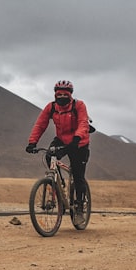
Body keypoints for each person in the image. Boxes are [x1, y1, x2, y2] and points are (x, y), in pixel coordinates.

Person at [25, 79, 92, 207]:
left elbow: (83, 123)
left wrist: (77, 138)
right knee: (49, 156)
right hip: (61, 139)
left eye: (65, 94)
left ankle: (79, 205)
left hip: (79, 142)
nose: (62, 97)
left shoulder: (79, 105)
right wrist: (32, 142)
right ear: (55, 94)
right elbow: (40, 124)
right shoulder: (51, 107)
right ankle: (58, 184)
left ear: (70, 95)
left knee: (78, 176)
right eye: (59, 94)